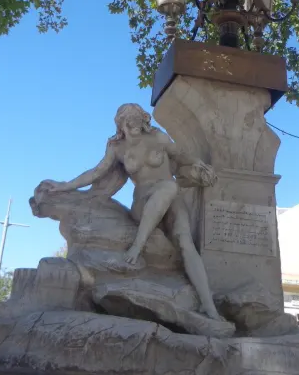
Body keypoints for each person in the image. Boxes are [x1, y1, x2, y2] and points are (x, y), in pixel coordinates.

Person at [39, 103, 223, 321]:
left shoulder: (158, 138)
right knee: (170, 187)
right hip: (143, 203)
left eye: (136, 118)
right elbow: (96, 173)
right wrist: (65, 186)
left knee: (185, 242)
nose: (133, 123)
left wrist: (200, 166)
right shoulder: (117, 148)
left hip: (171, 200)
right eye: (128, 120)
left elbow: (182, 156)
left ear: (143, 120)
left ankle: (209, 307)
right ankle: (138, 245)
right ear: (121, 125)